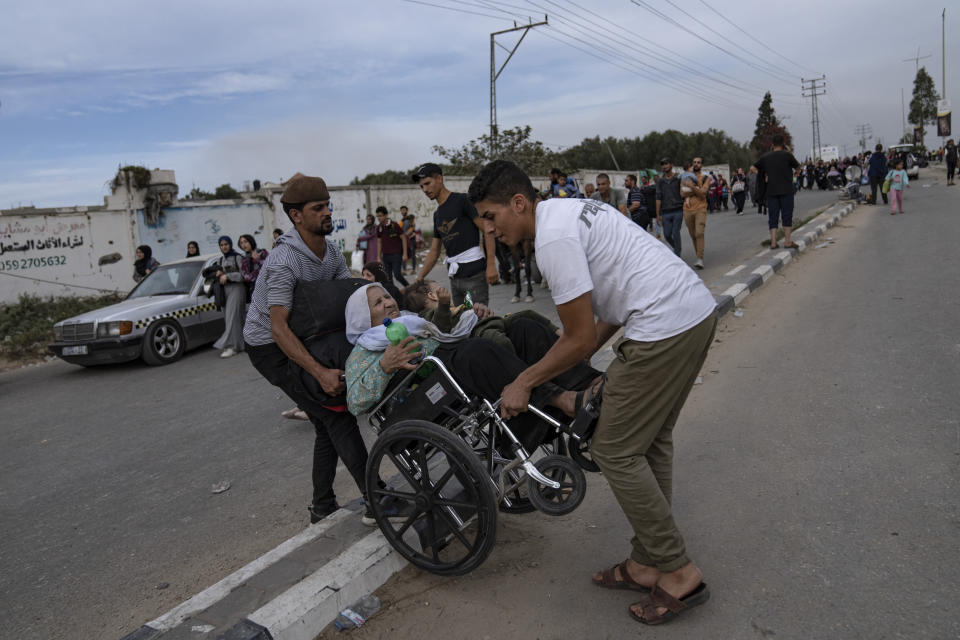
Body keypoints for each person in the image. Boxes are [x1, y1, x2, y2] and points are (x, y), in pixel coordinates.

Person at [468, 160, 717, 626]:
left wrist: (525, 381)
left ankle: (678, 570)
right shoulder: (569, 211)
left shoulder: (553, 240)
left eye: (490, 216)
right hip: (691, 312)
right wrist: (580, 366)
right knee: (649, 442)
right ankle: (647, 562)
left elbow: (578, 336)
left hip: (665, 327)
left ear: (518, 203)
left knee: (613, 449)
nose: (489, 228)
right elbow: (605, 316)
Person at [243, 175, 373, 526]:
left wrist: (368, 286)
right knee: (335, 413)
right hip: (270, 346)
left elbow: (347, 293)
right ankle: (378, 501)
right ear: (296, 216)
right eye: (318, 208)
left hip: (304, 333)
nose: (327, 212)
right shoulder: (284, 262)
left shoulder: (330, 250)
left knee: (323, 423)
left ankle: (322, 506)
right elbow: (278, 327)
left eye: (328, 205)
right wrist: (319, 372)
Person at [343, 282, 595, 452]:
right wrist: (385, 366)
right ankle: (563, 400)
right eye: (377, 303)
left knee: (523, 329)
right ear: (363, 318)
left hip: (455, 371)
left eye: (387, 296)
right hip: (420, 401)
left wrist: (470, 312)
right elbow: (355, 403)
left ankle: (589, 387)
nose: (388, 303)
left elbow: (447, 326)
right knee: (476, 352)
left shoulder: (414, 321)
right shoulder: (362, 351)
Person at [412, 163, 498, 305]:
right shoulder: (437, 215)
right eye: (422, 186)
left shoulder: (462, 200)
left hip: (475, 276)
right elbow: (434, 251)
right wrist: (418, 279)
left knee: (479, 320)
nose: (425, 189)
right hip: (454, 279)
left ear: (440, 179)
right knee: (462, 323)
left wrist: (491, 265)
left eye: (427, 183)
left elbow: (487, 230)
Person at [752, 134, 800, 250]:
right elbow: (798, 167)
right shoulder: (787, 156)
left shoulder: (766, 157)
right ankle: (787, 241)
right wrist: (794, 177)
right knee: (787, 215)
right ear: (783, 144)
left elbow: (752, 168)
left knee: (773, 217)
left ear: (772, 145)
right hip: (787, 190)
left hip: (771, 191)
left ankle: (773, 243)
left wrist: (763, 175)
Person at [213, 235, 246, 358]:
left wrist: (228, 276)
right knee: (232, 318)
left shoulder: (237, 257)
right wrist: (220, 274)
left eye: (226, 244)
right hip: (225, 291)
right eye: (221, 245)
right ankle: (240, 345)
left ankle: (231, 346)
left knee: (232, 318)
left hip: (237, 289)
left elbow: (243, 275)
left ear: (230, 245)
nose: (224, 247)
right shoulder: (221, 260)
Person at [682, 158, 709, 270]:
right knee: (693, 235)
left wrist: (692, 187)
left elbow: (703, 194)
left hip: (700, 208)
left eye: (698, 162)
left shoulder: (706, 178)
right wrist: (696, 190)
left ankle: (700, 258)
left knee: (699, 233)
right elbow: (682, 193)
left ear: (702, 165)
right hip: (687, 209)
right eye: (694, 162)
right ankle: (698, 255)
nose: (696, 164)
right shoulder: (685, 177)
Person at [655, 158, 684, 256]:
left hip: (678, 210)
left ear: (671, 165)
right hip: (666, 212)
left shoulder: (678, 178)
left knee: (675, 232)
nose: (664, 166)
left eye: (666, 164)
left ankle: (677, 254)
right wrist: (658, 214)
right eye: (663, 164)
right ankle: (677, 247)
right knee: (667, 235)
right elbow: (658, 198)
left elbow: (683, 192)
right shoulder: (660, 181)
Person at [374, 206, 408, 287]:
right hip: (385, 256)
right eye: (377, 216)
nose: (379, 218)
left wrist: (405, 254)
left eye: (380, 215)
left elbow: (403, 238)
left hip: (396, 255)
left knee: (397, 275)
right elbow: (379, 242)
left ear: (386, 215)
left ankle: (409, 288)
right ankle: (394, 296)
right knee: (388, 278)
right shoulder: (379, 228)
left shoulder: (394, 225)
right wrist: (378, 257)